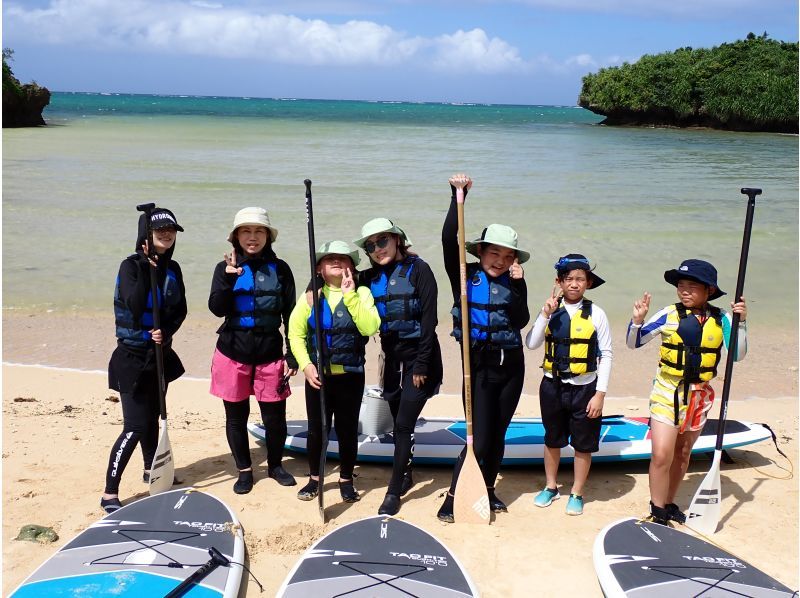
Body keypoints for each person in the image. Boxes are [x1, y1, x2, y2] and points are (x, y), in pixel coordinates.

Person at [437, 173, 531, 523]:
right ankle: (452, 496)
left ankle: (488, 490)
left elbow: (520, 321)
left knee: (499, 433)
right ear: (480, 251)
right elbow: (449, 239)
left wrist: (519, 288)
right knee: (478, 435)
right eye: (494, 253)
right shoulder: (464, 273)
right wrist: (456, 195)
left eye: (507, 256)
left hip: (511, 366)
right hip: (475, 366)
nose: (500, 260)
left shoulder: (515, 280)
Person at [627, 259, 748, 525]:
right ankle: (657, 510)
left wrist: (740, 324)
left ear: (710, 290)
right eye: (681, 285)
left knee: (683, 453)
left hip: (700, 394)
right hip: (667, 389)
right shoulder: (668, 314)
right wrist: (637, 321)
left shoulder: (723, 319)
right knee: (661, 453)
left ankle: (669, 503)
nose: (684, 291)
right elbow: (634, 342)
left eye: (692, 286)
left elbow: (737, 354)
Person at [353, 218, 443, 516]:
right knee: (396, 419)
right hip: (391, 360)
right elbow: (333, 276)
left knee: (404, 424)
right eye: (370, 245)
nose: (377, 249)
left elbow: (430, 323)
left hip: (422, 357)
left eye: (382, 242)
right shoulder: (368, 277)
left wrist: (421, 364)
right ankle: (407, 473)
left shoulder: (420, 270)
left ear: (397, 240)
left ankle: (393, 491)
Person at [208, 207, 299, 494]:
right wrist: (228, 278)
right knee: (236, 417)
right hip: (231, 352)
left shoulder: (280, 269)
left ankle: (275, 465)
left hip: (270, 353)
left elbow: (291, 315)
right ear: (235, 236)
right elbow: (216, 309)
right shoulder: (224, 268)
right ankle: (245, 471)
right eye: (246, 231)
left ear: (268, 237)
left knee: (274, 417)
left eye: (259, 231)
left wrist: (292, 353)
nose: (253, 237)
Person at [102, 207, 187, 513]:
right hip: (132, 358)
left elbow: (180, 310)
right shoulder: (131, 267)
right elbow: (135, 305)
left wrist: (166, 331)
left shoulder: (173, 268)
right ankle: (110, 493)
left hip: (159, 357)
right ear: (146, 236)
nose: (167, 234)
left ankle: (152, 470)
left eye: (171, 230)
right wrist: (150, 269)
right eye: (160, 230)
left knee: (153, 421)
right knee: (135, 426)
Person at [288, 241, 381, 504]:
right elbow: (296, 333)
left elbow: (369, 327)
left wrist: (350, 295)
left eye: (344, 258)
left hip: (350, 376)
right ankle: (315, 479)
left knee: (347, 430)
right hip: (318, 377)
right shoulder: (310, 297)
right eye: (330, 259)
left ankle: (346, 479)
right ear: (319, 268)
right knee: (317, 430)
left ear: (352, 266)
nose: (338, 261)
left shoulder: (362, 293)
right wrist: (306, 365)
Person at [525, 254, 613, 516]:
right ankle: (551, 486)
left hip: (585, 388)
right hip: (552, 386)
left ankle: (576, 492)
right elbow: (531, 343)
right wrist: (544, 314)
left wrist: (600, 394)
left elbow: (606, 354)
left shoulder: (597, 314)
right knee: (552, 439)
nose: (574, 284)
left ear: (588, 283)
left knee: (583, 444)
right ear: (559, 282)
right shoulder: (551, 311)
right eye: (569, 279)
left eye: (580, 279)